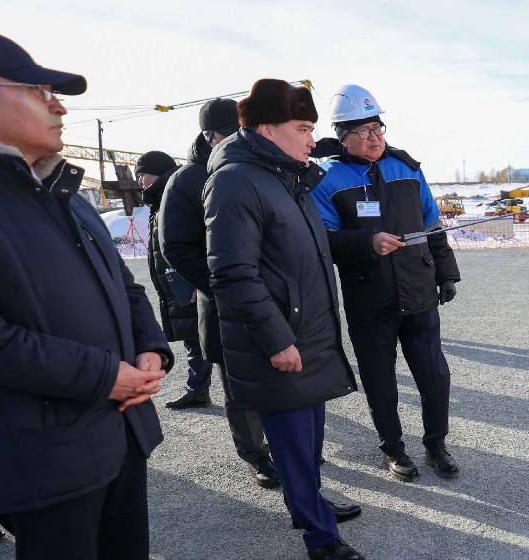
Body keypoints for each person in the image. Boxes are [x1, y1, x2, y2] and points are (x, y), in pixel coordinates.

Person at [0, 31, 172, 559]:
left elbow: (124, 285)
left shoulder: (65, 193)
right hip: (44, 455)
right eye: (39, 91)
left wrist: (150, 347)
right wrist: (105, 376)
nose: (59, 106)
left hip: (117, 435)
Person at [203, 79, 363, 560]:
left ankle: (310, 506)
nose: (313, 140)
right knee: (293, 447)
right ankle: (321, 540)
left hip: (308, 332)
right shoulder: (235, 181)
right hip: (280, 340)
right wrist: (276, 340)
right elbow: (232, 272)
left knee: (308, 443)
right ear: (267, 129)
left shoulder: (288, 178)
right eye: (304, 128)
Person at [310, 84, 461, 481]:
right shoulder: (327, 179)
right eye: (364, 132)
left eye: (378, 128)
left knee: (434, 375)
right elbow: (323, 241)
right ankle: (393, 448)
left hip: (419, 291)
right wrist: (367, 242)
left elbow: (432, 224)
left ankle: (436, 444)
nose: (374, 137)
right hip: (369, 298)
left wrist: (446, 273)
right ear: (343, 136)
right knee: (380, 381)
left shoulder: (407, 168)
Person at [158, 99, 280, 489]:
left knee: (282, 376)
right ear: (210, 136)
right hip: (225, 304)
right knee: (238, 384)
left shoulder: (261, 167)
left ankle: (286, 444)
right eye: (234, 132)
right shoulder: (187, 179)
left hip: (272, 297)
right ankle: (256, 454)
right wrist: (218, 284)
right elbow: (174, 245)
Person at [137, 150, 205, 411]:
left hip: (190, 281)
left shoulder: (175, 194)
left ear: (157, 173)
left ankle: (204, 390)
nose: (139, 181)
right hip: (179, 283)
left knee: (204, 337)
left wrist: (200, 281)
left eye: (142, 174)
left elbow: (198, 239)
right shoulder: (159, 199)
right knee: (193, 337)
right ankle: (197, 389)